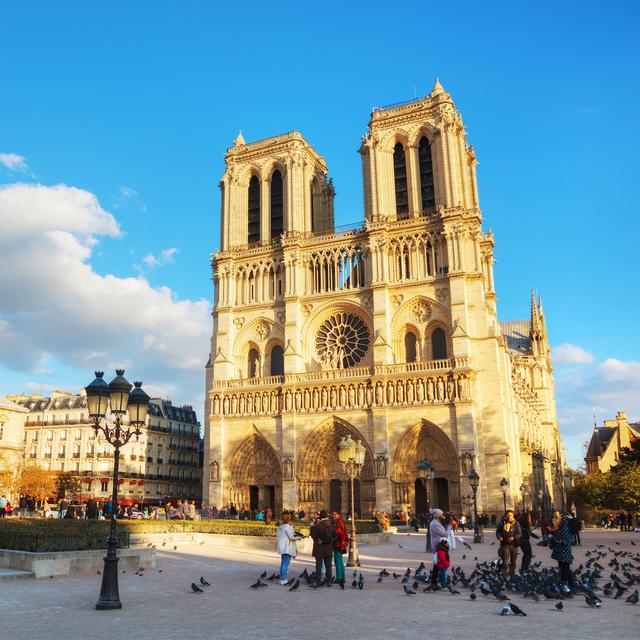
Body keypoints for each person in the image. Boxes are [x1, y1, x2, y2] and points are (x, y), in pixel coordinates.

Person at [548, 510, 574, 593]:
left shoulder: (564, 527)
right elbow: (556, 537)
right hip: (560, 551)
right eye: (553, 517)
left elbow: (569, 540)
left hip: (565, 551)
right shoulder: (559, 527)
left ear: (560, 518)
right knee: (564, 568)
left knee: (565, 568)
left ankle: (566, 585)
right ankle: (570, 584)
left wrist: (559, 541)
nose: (553, 519)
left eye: (555, 517)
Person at [310, 509, 334, 587]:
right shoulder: (331, 524)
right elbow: (334, 535)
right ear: (327, 516)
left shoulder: (318, 525)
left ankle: (318, 581)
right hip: (328, 547)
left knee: (319, 565)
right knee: (328, 565)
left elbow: (313, 536)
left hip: (319, 547)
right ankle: (329, 581)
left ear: (320, 516)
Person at [496, 510, 521, 579]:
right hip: (505, 544)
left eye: (511, 515)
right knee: (505, 560)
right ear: (506, 515)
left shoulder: (516, 523)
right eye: (508, 515)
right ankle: (504, 574)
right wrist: (499, 537)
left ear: (513, 516)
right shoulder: (502, 523)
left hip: (514, 545)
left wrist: (514, 537)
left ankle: (512, 574)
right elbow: (497, 532)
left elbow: (520, 533)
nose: (509, 516)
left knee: (513, 560)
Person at [276, 511, 299, 585]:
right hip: (287, 547)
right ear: (288, 518)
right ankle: (283, 579)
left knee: (283, 563)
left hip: (282, 546)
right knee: (286, 563)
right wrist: (299, 537)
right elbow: (291, 537)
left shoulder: (281, 526)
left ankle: (282, 578)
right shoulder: (287, 526)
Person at [429, 509, 448, 588]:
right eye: (441, 515)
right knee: (438, 565)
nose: (442, 516)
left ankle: (435, 582)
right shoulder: (435, 524)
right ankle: (436, 582)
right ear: (438, 516)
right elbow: (444, 533)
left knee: (437, 565)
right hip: (438, 546)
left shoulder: (437, 523)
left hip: (439, 545)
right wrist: (448, 526)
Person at [331, 511, 349, 589]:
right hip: (340, 543)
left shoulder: (338, 522)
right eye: (333, 514)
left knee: (337, 560)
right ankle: (342, 577)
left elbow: (338, 532)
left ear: (338, 514)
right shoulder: (340, 521)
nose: (333, 516)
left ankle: (339, 578)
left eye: (335, 514)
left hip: (338, 543)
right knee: (340, 560)